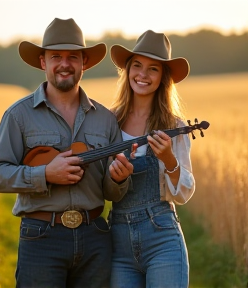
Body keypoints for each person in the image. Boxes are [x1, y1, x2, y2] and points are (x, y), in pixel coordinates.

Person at [0, 18, 133, 288]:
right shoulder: (18, 115)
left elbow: (110, 193)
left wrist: (119, 180)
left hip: (95, 238)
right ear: (43, 62)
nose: (65, 64)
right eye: (56, 57)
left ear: (84, 63)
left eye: (73, 57)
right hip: (41, 238)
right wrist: (45, 174)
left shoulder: (106, 120)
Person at [109, 30, 196, 288]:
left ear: (162, 78)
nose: (143, 75)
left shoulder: (175, 126)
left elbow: (183, 194)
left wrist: (169, 159)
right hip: (118, 241)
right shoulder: (108, 122)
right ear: (127, 71)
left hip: (162, 238)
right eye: (137, 66)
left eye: (153, 69)